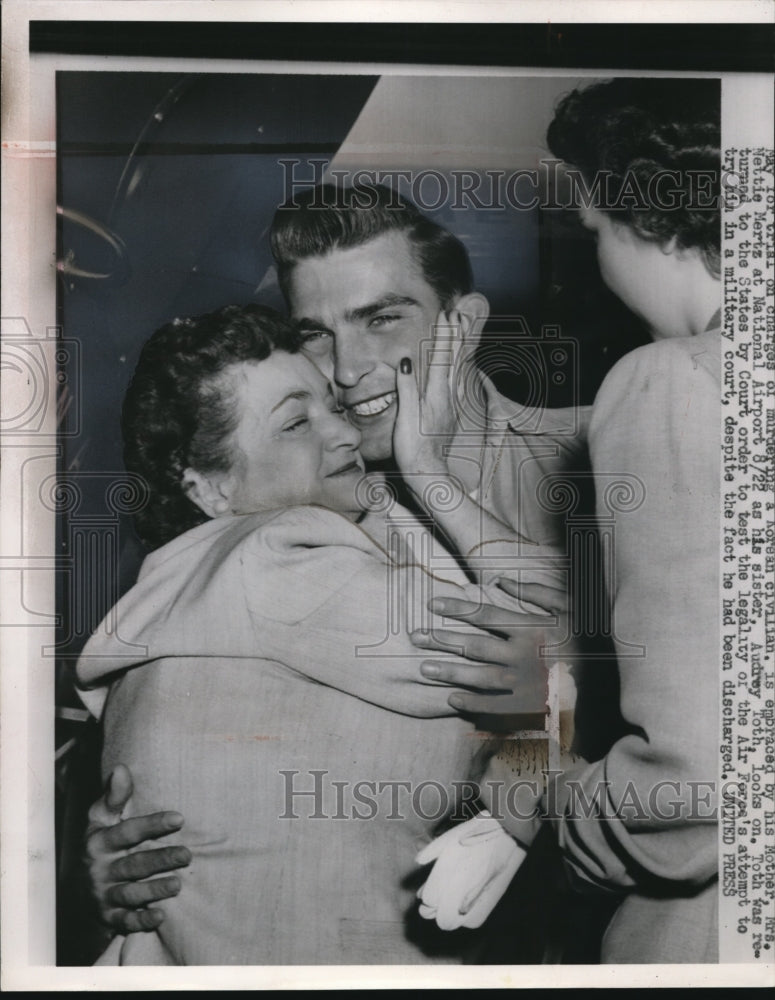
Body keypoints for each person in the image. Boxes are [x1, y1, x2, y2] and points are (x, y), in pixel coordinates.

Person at [83, 180, 592, 935]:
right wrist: (111, 866)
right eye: (314, 332)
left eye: (381, 318)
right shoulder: (306, 514)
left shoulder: (604, 449)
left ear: (464, 323)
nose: (347, 369)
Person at [414, 77, 722, 964]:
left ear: (654, 224)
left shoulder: (672, 380)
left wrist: (542, 817)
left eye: (591, 231)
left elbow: (701, 777)